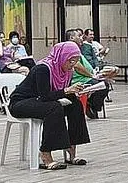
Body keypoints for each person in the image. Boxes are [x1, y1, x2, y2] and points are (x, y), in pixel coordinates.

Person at [8, 42, 91, 170]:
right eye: (71, 61)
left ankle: (71, 149)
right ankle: (45, 153)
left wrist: (77, 91)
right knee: (53, 108)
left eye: (76, 61)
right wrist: (67, 90)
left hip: (40, 101)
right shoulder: (43, 68)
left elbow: (59, 93)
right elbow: (45, 96)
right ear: (62, 57)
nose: (73, 64)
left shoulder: (67, 72)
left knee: (75, 105)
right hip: (21, 103)